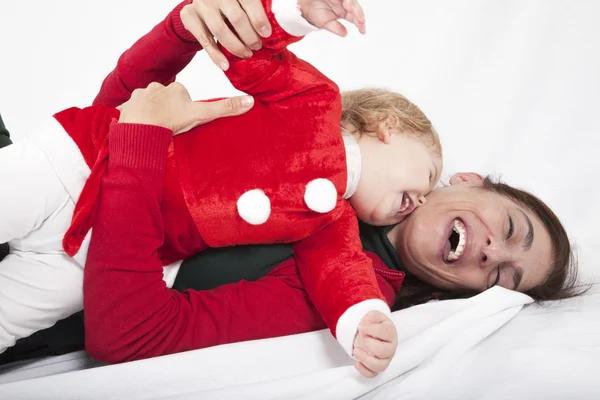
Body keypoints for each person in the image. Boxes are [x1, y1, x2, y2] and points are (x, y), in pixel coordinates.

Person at [0, 0, 444, 374]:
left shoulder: (329, 223)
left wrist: (364, 320)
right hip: (78, 162)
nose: (421, 200)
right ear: (390, 126)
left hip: (94, 258)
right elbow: (250, 54)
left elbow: (342, 275)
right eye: (427, 175)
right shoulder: (315, 103)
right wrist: (295, 14)